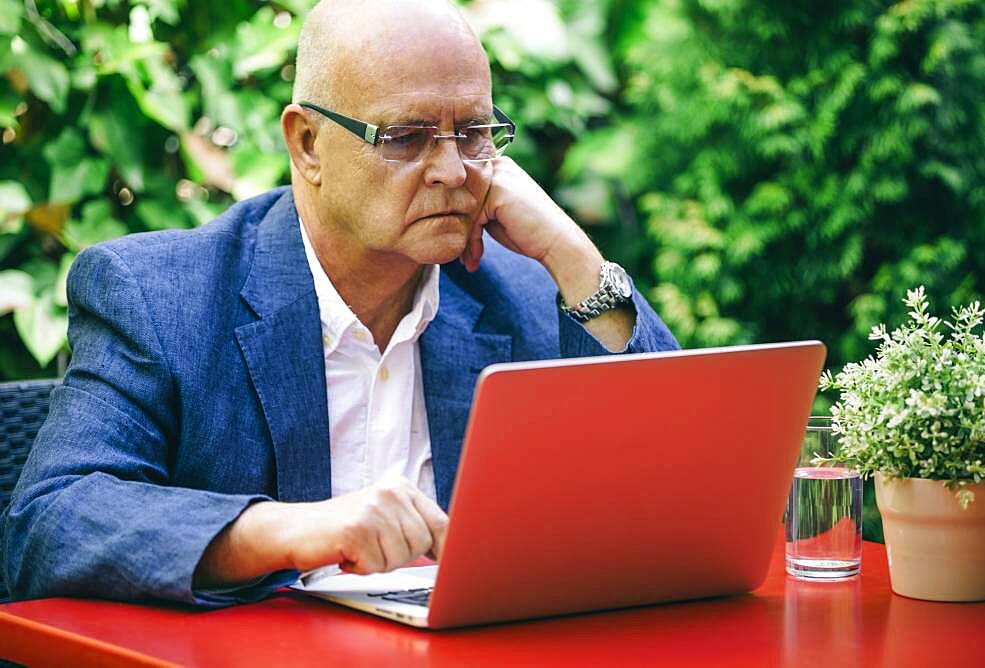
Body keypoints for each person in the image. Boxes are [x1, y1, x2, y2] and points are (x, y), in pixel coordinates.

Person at [1, 0, 679, 606]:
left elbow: (679, 487)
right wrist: (288, 530)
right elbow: (49, 523)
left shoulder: (526, 290)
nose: (450, 171)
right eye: (407, 138)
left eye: (472, 134)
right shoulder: (157, 296)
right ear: (307, 144)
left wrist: (576, 257)